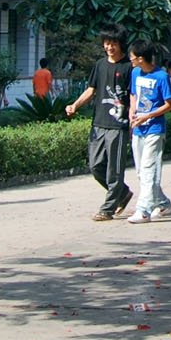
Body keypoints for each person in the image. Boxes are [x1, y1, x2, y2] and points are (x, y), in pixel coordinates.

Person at [66, 27, 135, 220]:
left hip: (118, 125)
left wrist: (132, 120)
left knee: (115, 170)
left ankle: (108, 209)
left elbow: (133, 95)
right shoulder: (100, 65)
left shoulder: (129, 67)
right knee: (96, 166)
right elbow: (91, 90)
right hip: (99, 123)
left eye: (113, 43)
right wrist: (75, 105)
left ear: (121, 44)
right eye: (106, 43)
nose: (109, 47)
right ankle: (123, 193)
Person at [125, 40, 171, 223]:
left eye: (132, 57)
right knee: (141, 171)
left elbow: (169, 104)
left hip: (155, 128)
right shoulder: (135, 72)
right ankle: (162, 203)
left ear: (140, 58)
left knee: (149, 167)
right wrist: (132, 112)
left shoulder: (161, 76)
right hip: (138, 128)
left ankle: (143, 210)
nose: (130, 60)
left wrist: (147, 116)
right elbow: (133, 94)